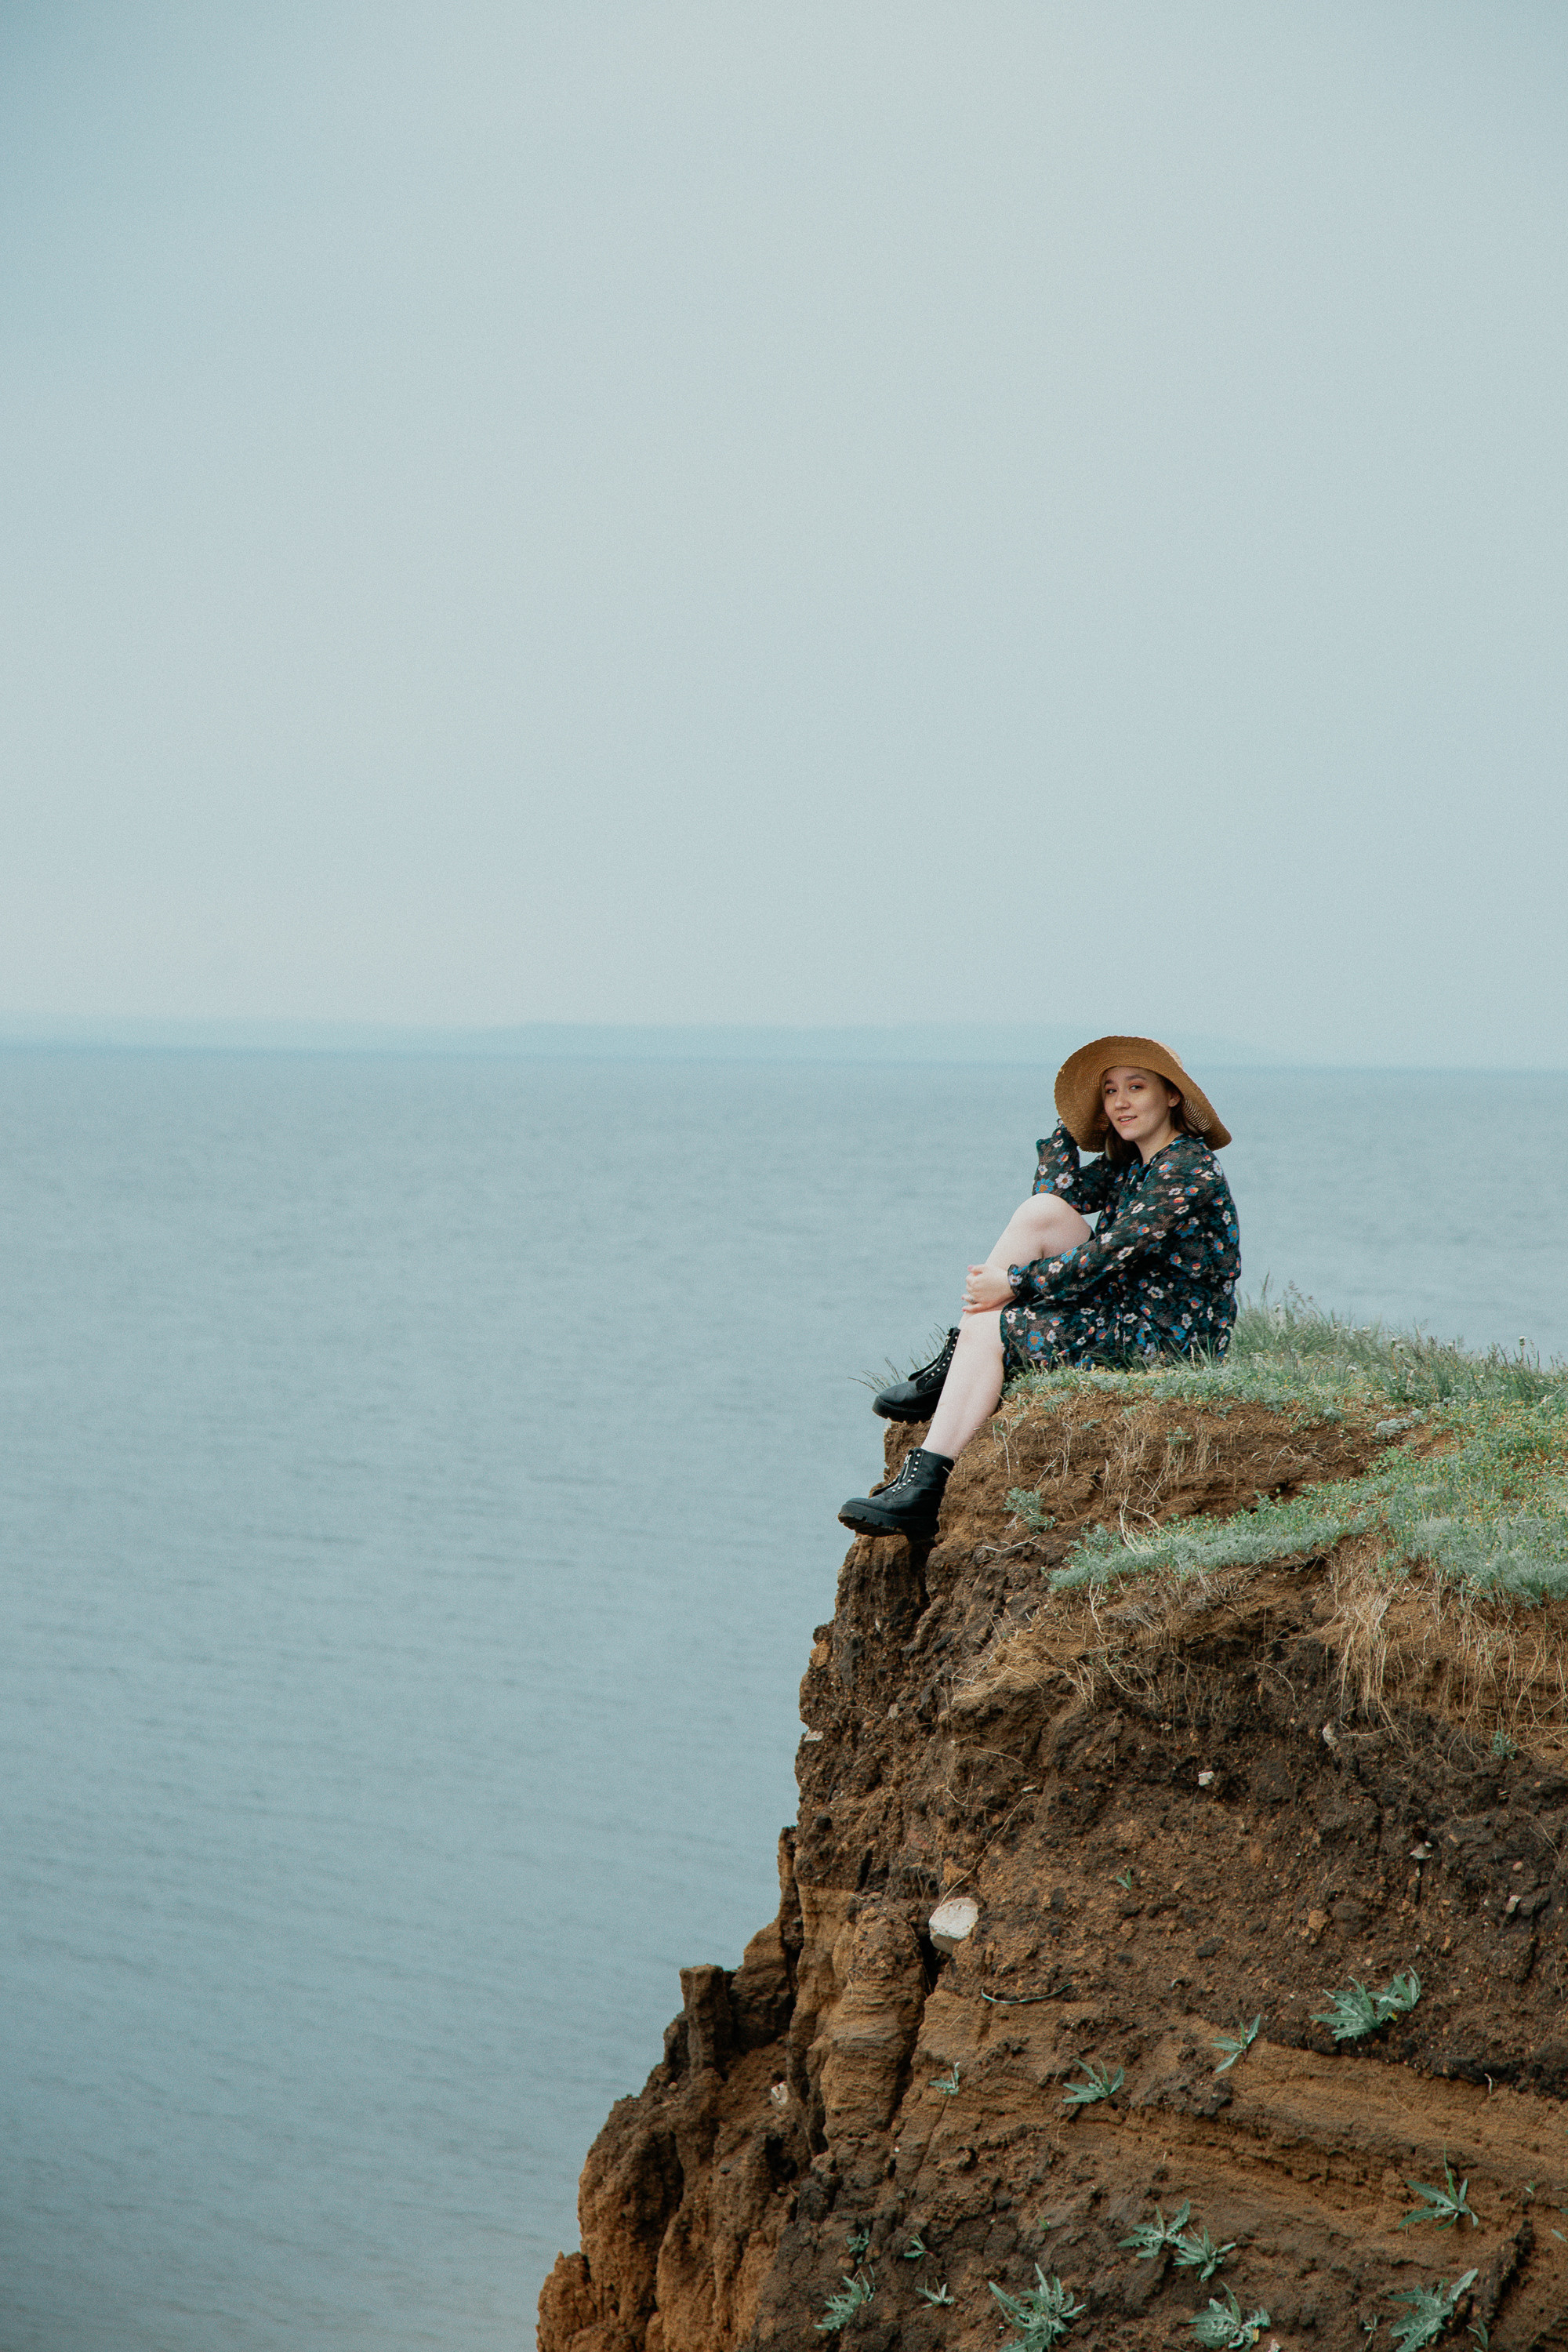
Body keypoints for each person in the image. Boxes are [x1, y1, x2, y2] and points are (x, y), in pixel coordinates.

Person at [837, 1035, 1241, 1545]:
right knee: (1041, 1215)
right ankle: (955, 1371)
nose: (1120, 1102)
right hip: (1123, 1310)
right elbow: (1057, 1197)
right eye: (1110, 1091)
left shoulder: (1188, 1168)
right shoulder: (1133, 1164)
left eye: (1136, 1088)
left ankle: (925, 1484)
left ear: (1173, 1096)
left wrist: (1012, 1283)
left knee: (991, 1326)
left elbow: (1109, 1254)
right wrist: (1067, 1131)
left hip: (1163, 1342)